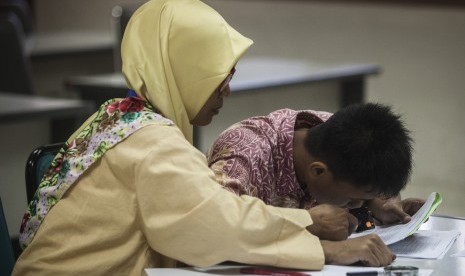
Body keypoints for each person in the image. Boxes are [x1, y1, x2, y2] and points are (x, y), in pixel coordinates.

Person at [13, 1, 394, 275]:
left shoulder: (119, 116)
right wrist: (326, 248)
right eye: (216, 79)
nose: (225, 92)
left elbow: (210, 209)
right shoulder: (153, 142)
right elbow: (214, 225)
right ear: (179, 71)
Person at [207, 105, 426, 227]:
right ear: (318, 171)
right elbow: (214, 224)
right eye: (352, 200)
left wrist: (379, 202)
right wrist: (310, 227)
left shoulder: (336, 136)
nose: (355, 205)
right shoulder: (244, 154)